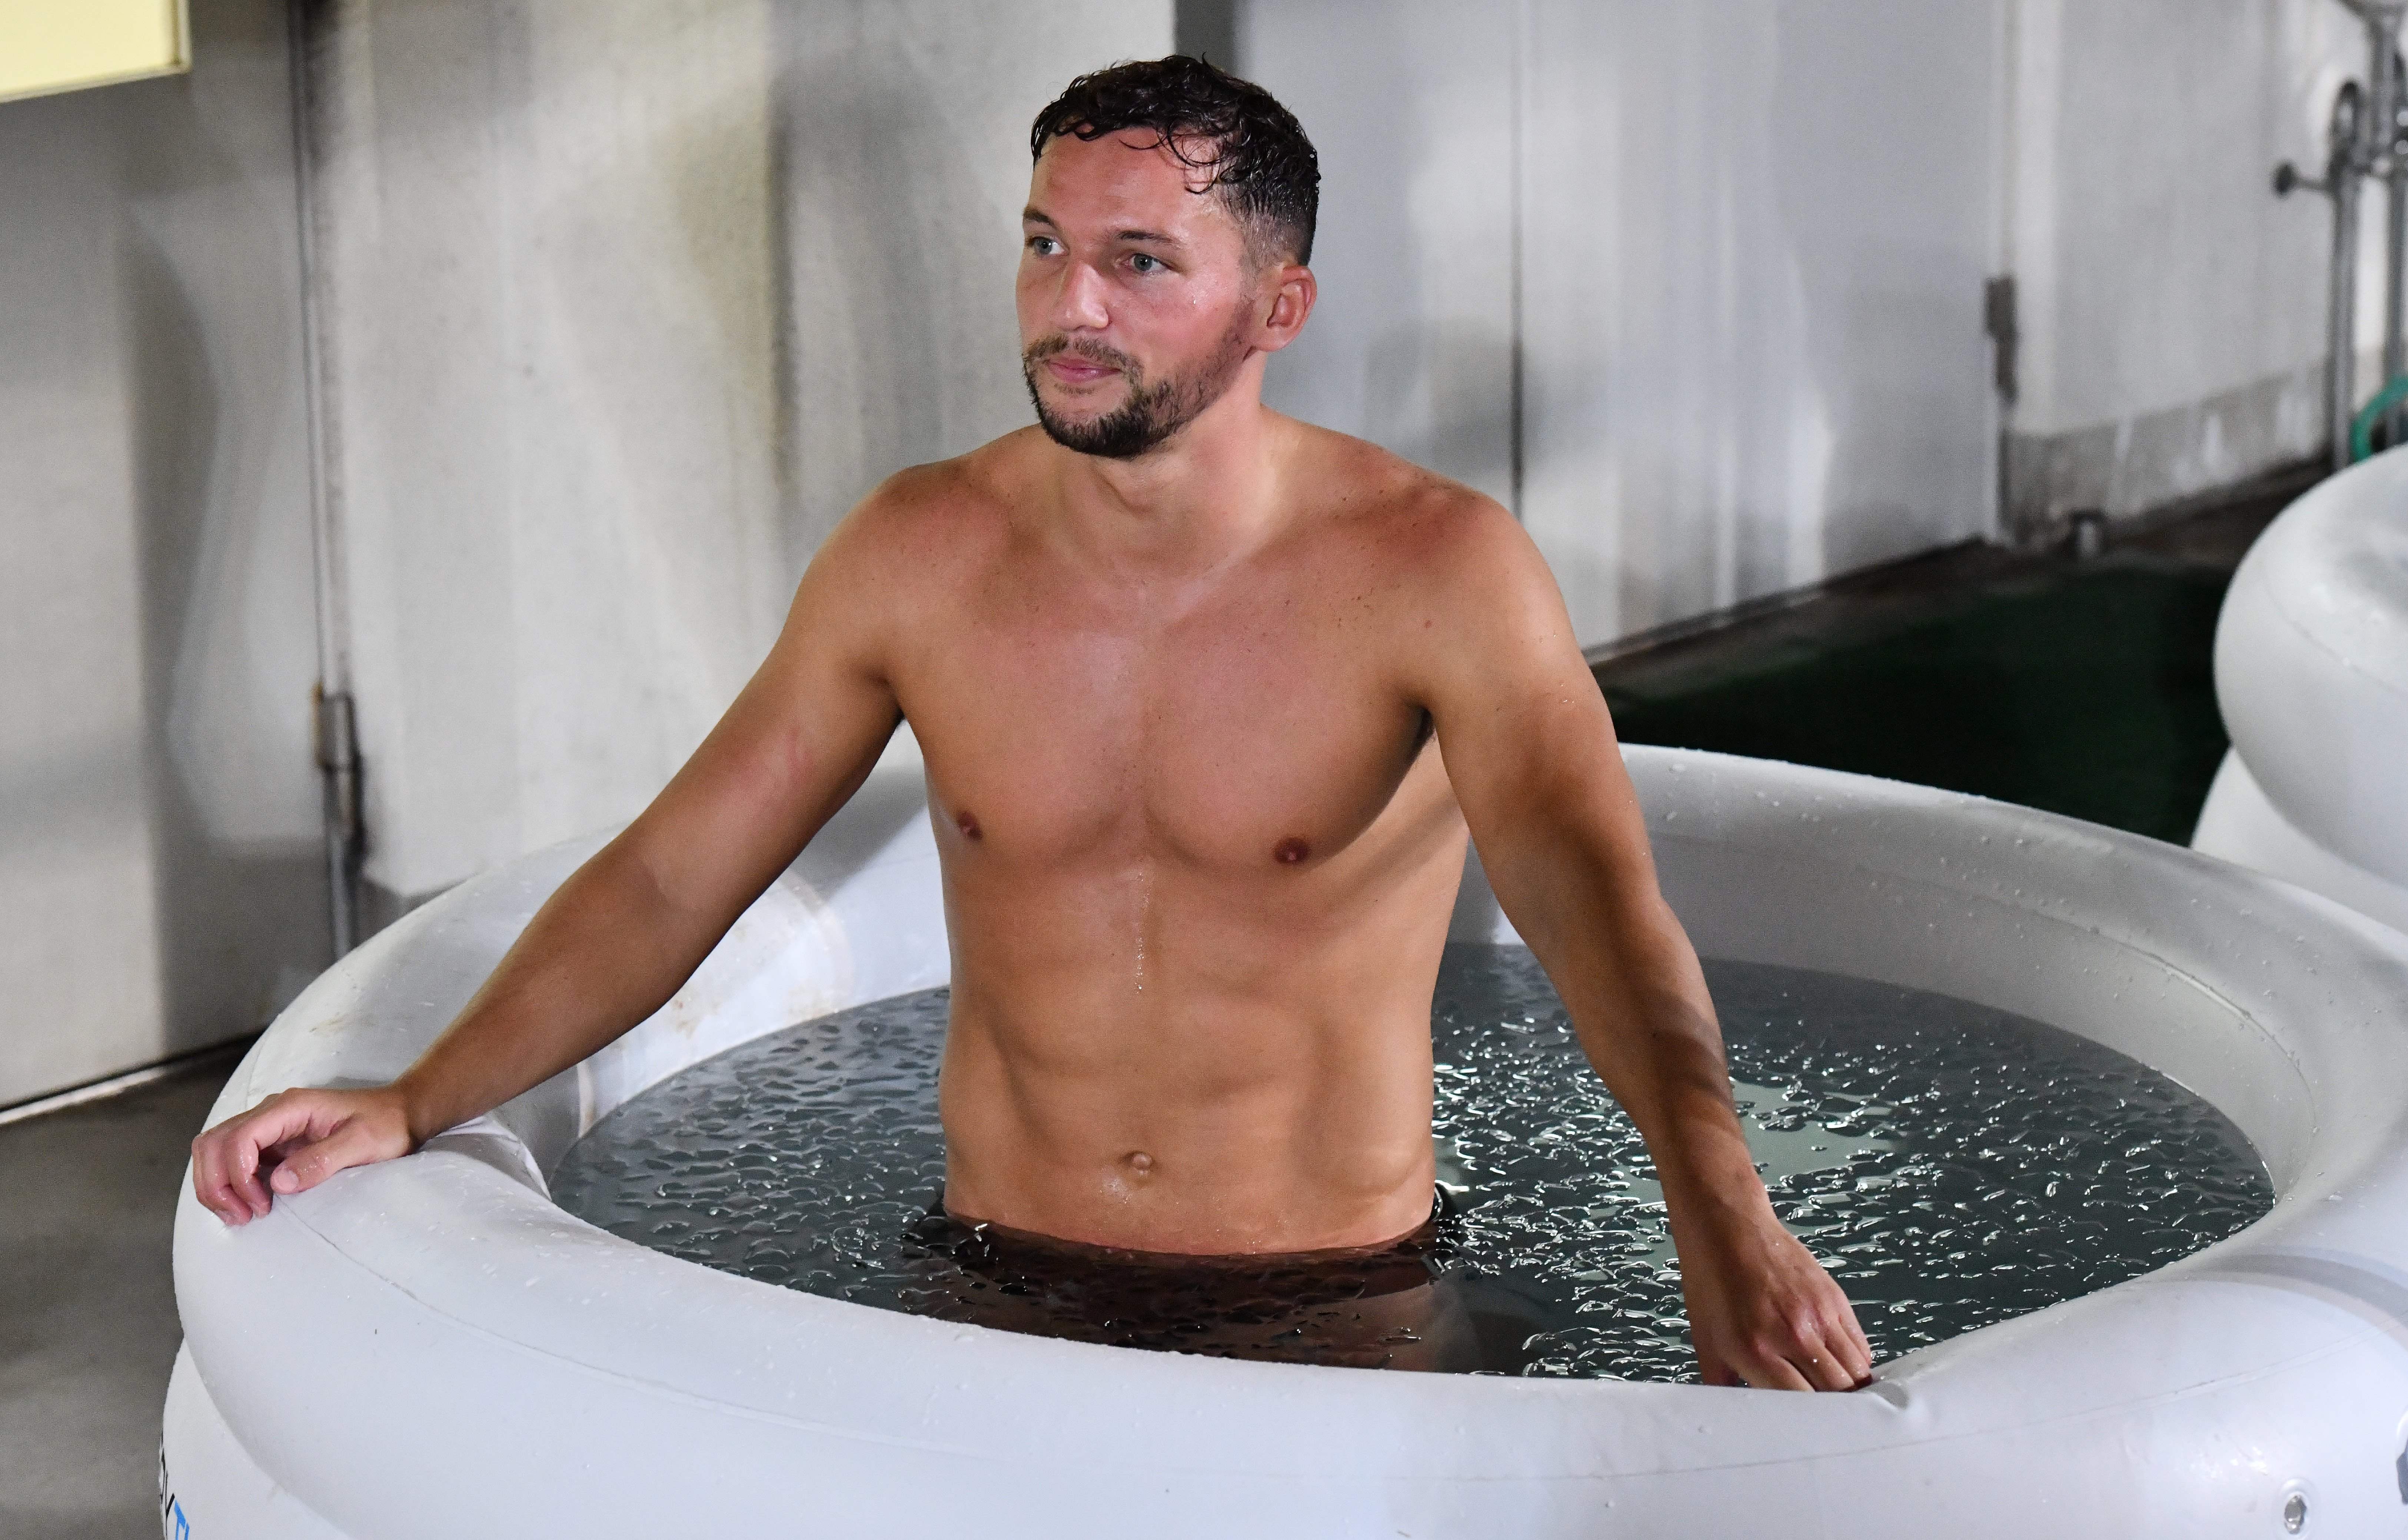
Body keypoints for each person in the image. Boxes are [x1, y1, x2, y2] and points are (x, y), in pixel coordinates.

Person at [191, 55, 1871, 1391]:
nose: (1072, 309)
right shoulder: (916, 554)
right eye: (1046, 244)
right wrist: (417, 1101)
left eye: (1142, 264)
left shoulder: (1436, 572)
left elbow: (1592, 901)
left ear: (1276, 309)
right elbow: (670, 878)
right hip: (994, 1273)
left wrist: (1715, 1205)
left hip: (1337, 1292)